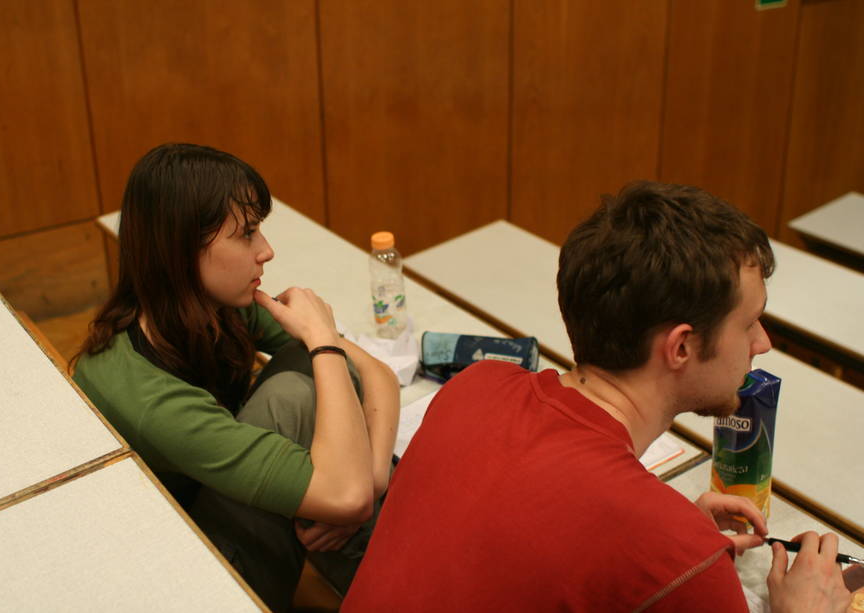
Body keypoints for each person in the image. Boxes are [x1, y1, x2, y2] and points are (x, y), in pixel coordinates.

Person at [342, 182, 851, 612]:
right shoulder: (685, 560)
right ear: (680, 347)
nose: (762, 343)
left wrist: (666, 538)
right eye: (749, 323)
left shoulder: (475, 386)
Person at [72, 143, 400, 612]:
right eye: (246, 234)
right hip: (192, 573)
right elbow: (346, 495)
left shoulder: (210, 308)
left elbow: (378, 373)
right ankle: (398, 586)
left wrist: (372, 481)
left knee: (316, 371)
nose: (266, 250)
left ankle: (395, 573)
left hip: (220, 504)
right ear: (180, 250)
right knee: (304, 382)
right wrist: (324, 339)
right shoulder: (147, 396)